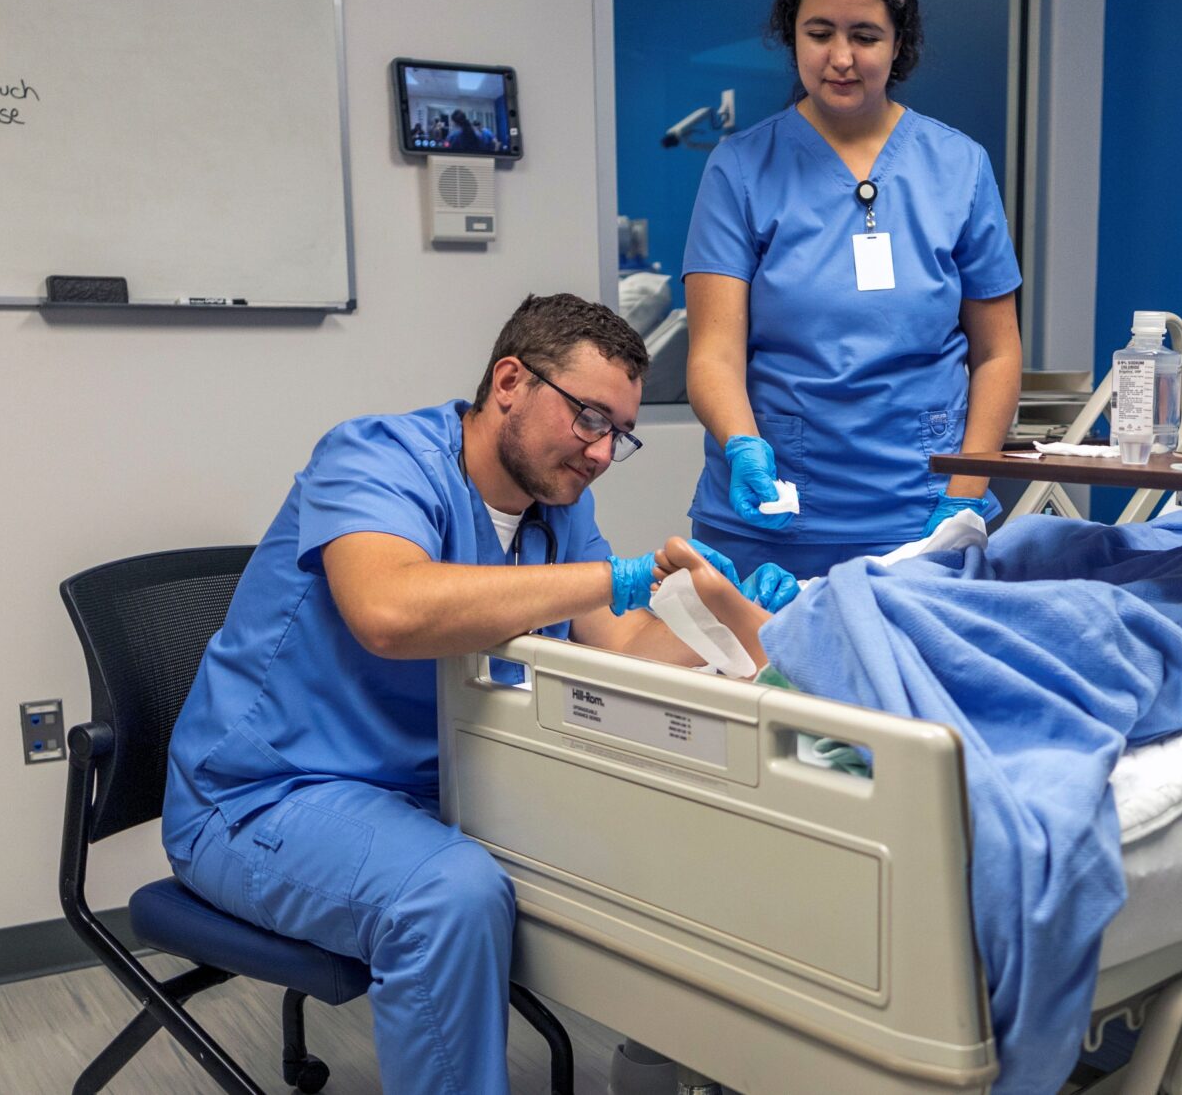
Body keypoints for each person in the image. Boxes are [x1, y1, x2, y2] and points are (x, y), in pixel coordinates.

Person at [160, 294, 790, 1095]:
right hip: (262, 798)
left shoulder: (557, 509)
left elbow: (625, 646)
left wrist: (734, 619)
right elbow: (390, 612)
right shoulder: (372, 460)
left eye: (619, 434)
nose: (601, 453)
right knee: (449, 895)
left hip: (434, 796)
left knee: (670, 846)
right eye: (590, 418)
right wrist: (616, 577)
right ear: (509, 382)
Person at [683, 0, 1024, 578]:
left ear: (901, 42)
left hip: (919, 520)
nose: (840, 57)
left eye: (864, 36)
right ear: (792, 33)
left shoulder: (959, 167)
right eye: (819, 33)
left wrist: (964, 494)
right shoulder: (741, 168)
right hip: (772, 519)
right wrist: (742, 445)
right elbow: (714, 353)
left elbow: (999, 351)